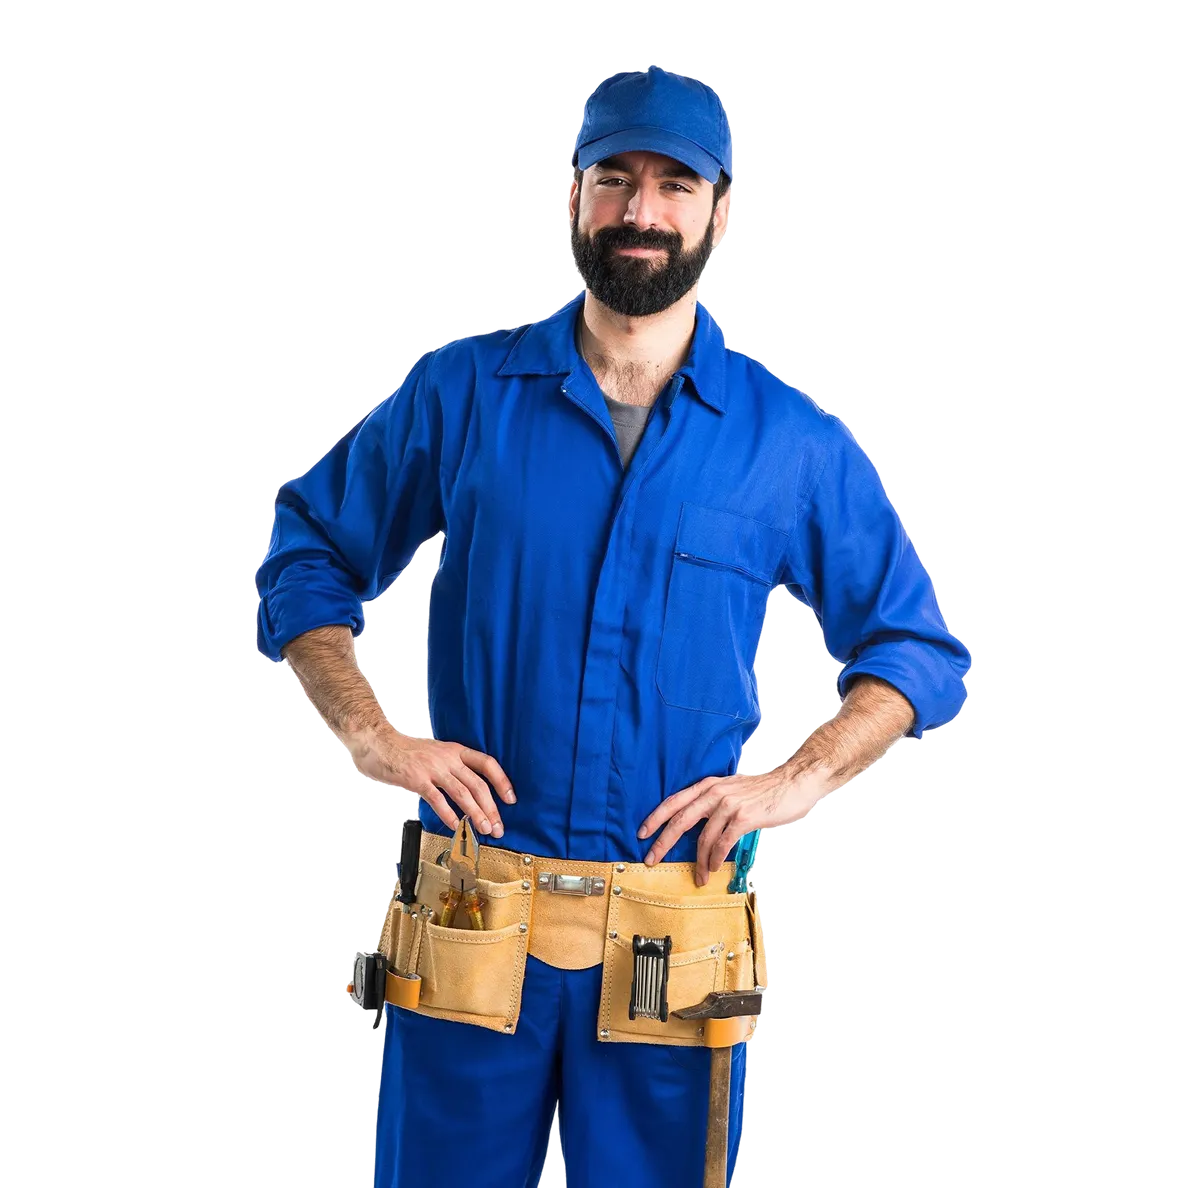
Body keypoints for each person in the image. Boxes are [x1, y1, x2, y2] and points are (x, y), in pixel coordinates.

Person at [255, 65, 971, 1188]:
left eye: (674, 184)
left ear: (722, 213)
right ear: (573, 196)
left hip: (669, 946)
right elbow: (308, 553)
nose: (641, 210)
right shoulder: (460, 392)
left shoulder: (792, 441)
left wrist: (797, 782)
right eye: (614, 179)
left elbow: (916, 649)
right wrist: (370, 735)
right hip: (472, 921)